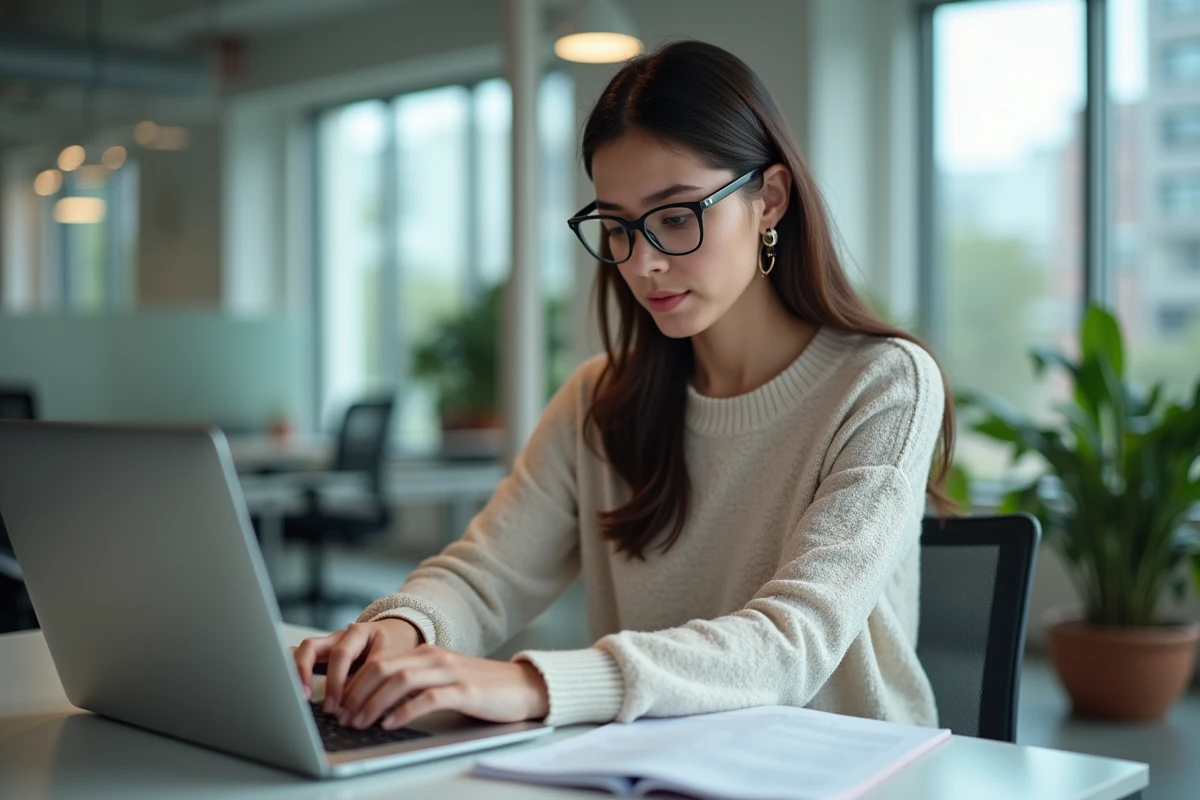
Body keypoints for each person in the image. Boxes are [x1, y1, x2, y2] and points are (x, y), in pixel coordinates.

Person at [293, 39, 956, 734]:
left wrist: (531, 683)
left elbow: (792, 643)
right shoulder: (598, 400)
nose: (642, 265)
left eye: (675, 218)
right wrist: (401, 630)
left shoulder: (883, 384)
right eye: (617, 226)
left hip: (843, 771)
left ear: (769, 200)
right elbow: (487, 574)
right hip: (654, 767)